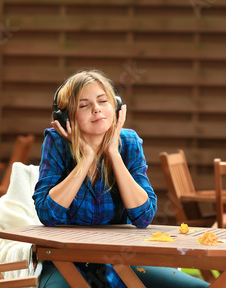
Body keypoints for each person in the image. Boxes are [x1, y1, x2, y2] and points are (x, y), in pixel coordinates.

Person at [33, 69, 210, 288]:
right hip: (65, 260)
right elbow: (48, 215)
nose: (97, 109)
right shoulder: (56, 143)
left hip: (123, 259)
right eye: (84, 105)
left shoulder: (129, 142)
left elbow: (143, 216)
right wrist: (87, 158)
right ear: (66, 117)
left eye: (102, 101)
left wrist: (114, 154)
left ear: (116, 107)